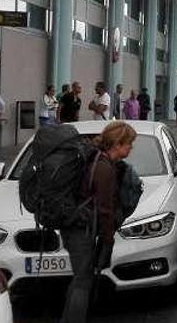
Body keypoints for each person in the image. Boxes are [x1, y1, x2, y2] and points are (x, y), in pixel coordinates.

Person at [59, 121, 136, 323]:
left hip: (77, 229)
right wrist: (108, 238)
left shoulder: (101, 161)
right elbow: (104, 209)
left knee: (80, 280)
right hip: (80, 231)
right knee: (83, 282)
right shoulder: (104, 168)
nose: (131, 148)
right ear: (117, 144)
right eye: (129, 143)